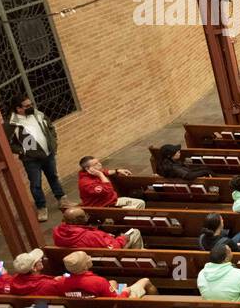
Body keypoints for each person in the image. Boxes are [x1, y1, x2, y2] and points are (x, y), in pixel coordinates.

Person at [9, 94, 68, 222]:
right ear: (18, 109)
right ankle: (41, 208)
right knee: (36, 184)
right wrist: (22, 150)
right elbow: (9, 143)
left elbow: (50, 126)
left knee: (53, 177)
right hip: (31, 160)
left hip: (48, 154)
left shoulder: (37, 114)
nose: (31, 107)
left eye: (31, 104)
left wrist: (53, 140)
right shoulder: (12, 123)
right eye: (27, 106)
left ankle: (62, 200)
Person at [60, 250, 152, 299]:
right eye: (86, 258)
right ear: (84, 266)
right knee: (145, 281)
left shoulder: (63, 281)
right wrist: (125, 292)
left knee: (112, 282)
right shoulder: (99, 281)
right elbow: (117, 301)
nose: (89, 258)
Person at [53, 205, 144, 250]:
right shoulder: (90, 236)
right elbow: (113, 248)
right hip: (106, 257)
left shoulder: (57, 232)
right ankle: (137, 256)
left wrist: (105, 235)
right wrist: (123, 238)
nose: (87, 216)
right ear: (80, 220)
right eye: (85, 216)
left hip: (85, 256)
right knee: (135, 232)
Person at [77, 155, 144, 209]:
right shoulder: (86, 183)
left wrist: (117, 170)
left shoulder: (92, 173)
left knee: (140, 203)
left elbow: (105, 171)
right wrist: (101, 175)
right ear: (88, 169)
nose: (100, 164)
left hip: (111, 200)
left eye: (98, 162)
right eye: (96, 164)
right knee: (138, 204)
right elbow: (108, 189)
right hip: (104, 207)